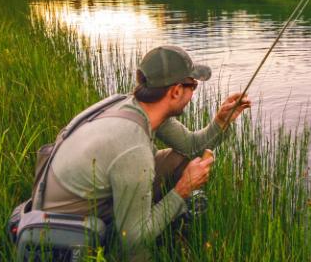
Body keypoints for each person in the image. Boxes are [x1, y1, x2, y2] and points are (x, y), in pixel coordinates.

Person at [33, 45, 250, 258]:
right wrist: (183, 190)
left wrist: (222, 122)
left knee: (179, 159)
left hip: (83, 202)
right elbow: (133, 238)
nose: (193, 92)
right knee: (138, 247)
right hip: (68, 233)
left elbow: (191, 147)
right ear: (175, 91)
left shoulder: (136, 106)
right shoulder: (133, 148)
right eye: (192, 85)